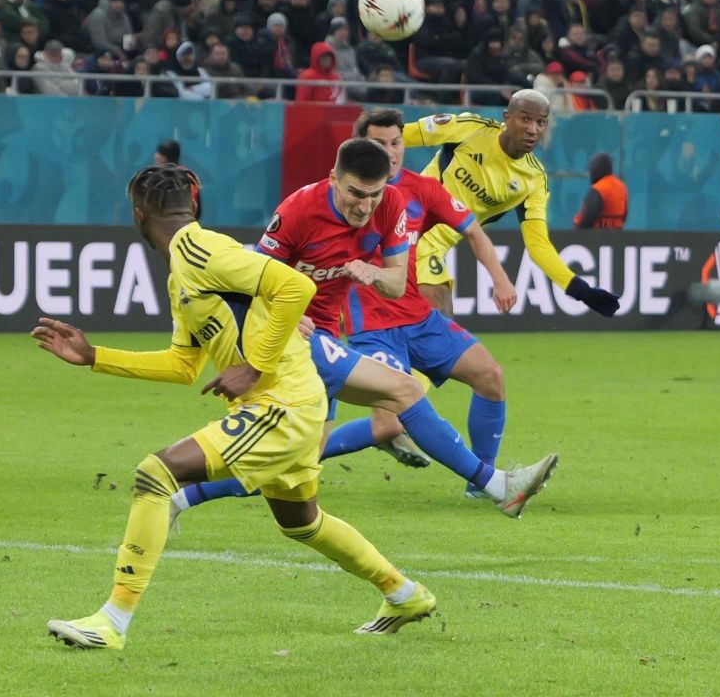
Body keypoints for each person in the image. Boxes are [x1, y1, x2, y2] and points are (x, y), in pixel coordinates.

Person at [34, 165, 436, 649]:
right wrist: (96, 357)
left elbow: (296, 288)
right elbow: (184, 365)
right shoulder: (182, 270)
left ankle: (112, 621)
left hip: (281, 400)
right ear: (194, 204)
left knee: (155, 475)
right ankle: (404, 592)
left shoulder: (201, 249)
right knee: (302, 521)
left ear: (138, 215)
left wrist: (254, 366)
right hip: (296, 398)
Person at [173, 139, 558, 519]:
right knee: (403, 390)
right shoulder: (297, 211)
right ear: (333, 180)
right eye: (355, 193)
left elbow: (395, 283)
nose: (364, 205)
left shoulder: (391, 204)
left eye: (372, 195)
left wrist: (374, 273)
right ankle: (498, 487)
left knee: (300, 461)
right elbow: (251, 279)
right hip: (290, 336)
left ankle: (178, 496)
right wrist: (285, 310)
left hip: (324, 332)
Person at [324, 109, 519, 497]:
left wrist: (500, 278)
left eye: (397, 143)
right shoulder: (341, 195)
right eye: (380, 144)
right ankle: (296, 456)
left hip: (418, 318)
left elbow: (472, 230)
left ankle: (481, 484)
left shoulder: (422, 190)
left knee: (490, 377)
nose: (391, 152)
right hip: (372, 328)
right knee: (390, 424)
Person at [402, 90, 621, 319]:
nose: (533, 129)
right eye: (525, 119)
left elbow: (538, 246)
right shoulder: (470, 129)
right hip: (400, 226)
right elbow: (399, 137)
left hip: (430, 249)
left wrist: (582, 291)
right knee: (432, 329)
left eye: (540, 122)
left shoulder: (533, 180)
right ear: (507, 118)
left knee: (440, 329)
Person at [573, 153, 629, 229]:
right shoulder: (622, 187)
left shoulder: (599, 188)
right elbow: (624, 215)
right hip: (617, 235)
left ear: (595, 170)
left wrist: (577, 232)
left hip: (598, 236)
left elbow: (587, 219)